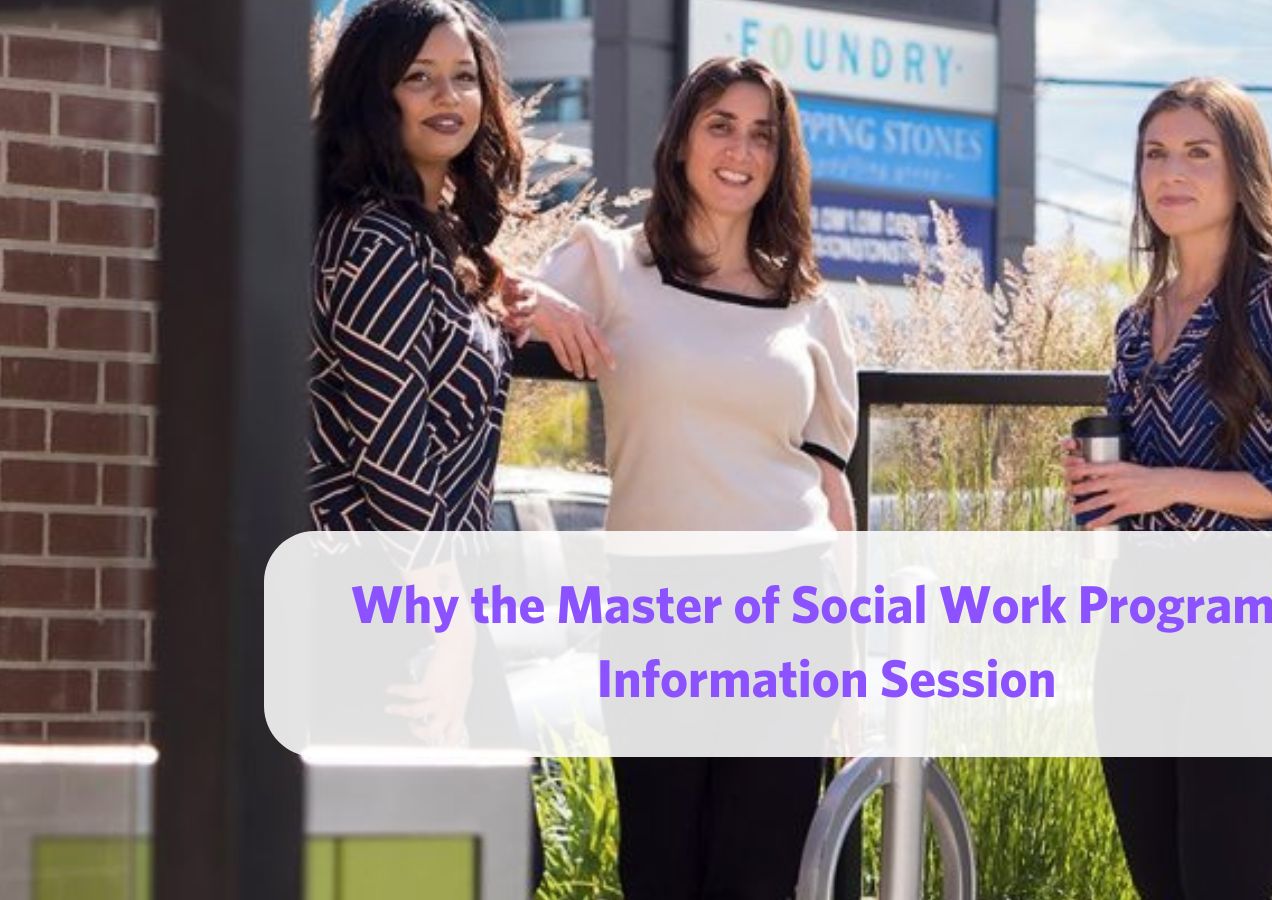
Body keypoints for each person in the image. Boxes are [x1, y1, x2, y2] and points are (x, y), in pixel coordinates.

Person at [510, 56, 858, 900]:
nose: (740, 150)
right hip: (657, 607)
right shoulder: (610, 263)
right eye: (720, 126)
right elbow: (490, 300)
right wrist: (540, 301)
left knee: (763, 868)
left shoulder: (809, 304)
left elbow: (831, 487)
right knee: (662, 862)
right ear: (680, 144)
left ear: (781, 161)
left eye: (762, 136)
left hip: (789, 606)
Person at [1060, 77, 1272, 898]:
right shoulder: (1135, 323)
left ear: (1243, 172)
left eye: (1199, 153)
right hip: (1137, 637)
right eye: (1155, 154)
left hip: (1252, 638)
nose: (1172, 173)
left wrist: (1162, 484)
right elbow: (1125, 510)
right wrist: (1099, 490)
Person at [306, 0, 527, 749]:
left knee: (474, 853)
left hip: (418, 600)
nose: (448, 97)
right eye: (419, 77)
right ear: (376, 96)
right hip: (388, 613)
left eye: (463, 78)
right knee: (441, 853)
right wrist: (449, 631)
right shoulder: (376, 239)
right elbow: (394, 459)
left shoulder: (432, 241)